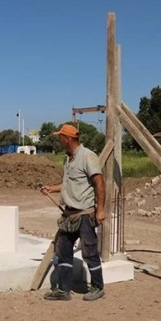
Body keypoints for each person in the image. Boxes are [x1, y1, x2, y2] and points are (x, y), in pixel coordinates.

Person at [40, 124, 106, 302]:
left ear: (67, 139)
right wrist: (52, 189)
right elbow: (69, 184)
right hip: (69, 215)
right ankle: (63, 290)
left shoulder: (87, 156)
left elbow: (99, 183)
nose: (58, 140)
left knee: (89, 252)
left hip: (84, 214)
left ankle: (98, 287)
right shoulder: (68, 159)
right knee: (63, 251)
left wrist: (100, 209)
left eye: (60, 137)